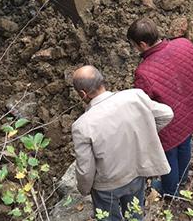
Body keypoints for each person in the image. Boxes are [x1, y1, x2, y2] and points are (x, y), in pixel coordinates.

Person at [71, 66, 173, 220]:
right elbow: (166, 114)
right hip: (136, 171)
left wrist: (84, 189)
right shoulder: (135, 96)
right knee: (135, 212)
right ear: (102, 81)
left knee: (109, 217)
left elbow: (86, 170)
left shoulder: (82, 126)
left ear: (82, 94)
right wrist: (145, 134)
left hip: (106, 185)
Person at [128, 17, 193, 197]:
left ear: (142, 44)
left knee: (169, 155)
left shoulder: (144, 72)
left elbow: (144, 105)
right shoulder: (184, 44)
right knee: (185, 144)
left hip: (170, 122)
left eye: (134, 45)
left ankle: (171, 191)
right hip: (191, 109)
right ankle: (182, 178)